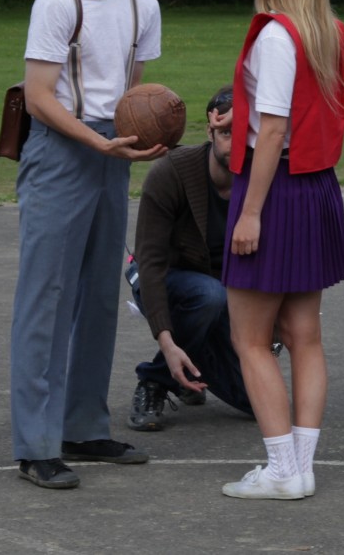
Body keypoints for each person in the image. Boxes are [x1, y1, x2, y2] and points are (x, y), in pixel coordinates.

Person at [12, 0, 167, 489]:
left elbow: (133, 93)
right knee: (45, 296)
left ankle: (83, 424)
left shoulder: (142, 4)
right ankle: (36, 442)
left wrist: (138, 135)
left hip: (113, 147)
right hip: (61, 148)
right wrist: (94, 139)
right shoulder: (59, 0)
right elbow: (37, 96)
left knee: (101, 292)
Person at [220, 0, 344, 500]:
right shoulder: (325, 28)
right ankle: (301, 465)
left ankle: (281, 471)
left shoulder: (275, 35)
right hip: (316, 186)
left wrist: (250, 213)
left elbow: (272, 132)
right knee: (305, 335)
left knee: (250, 340)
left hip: (274, 191)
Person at [126, 84, 254, 432]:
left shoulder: (264, 180)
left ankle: (191, 370)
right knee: (208, 296)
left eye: (245, 132)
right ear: (210, 130)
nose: (235, 141)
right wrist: (166, 342)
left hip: (227, 292)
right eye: (227, 132)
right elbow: (150, 263)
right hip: (166, 278)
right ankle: (155, 381)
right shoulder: (172, 172)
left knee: (255, 401)